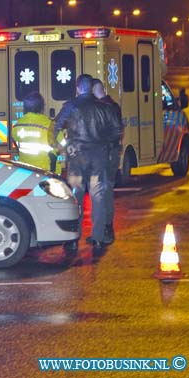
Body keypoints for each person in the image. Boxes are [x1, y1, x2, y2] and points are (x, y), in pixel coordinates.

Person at [55, 74, 123, 251]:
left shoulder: (70, 106)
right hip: (98, 156)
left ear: (78, 88)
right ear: (92, 89)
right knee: (98, 196)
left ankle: (72, 239)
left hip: (77, 157)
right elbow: (117, 131)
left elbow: (55, 127)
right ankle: (99, 237)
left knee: (75, 196)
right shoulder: (105, 107)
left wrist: (61, 148)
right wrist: (103, 144)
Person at [92, 78, 123, 244]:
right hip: (111, 153)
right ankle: (105, 229)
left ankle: (106, 229)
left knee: (104, 192)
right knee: (105, 191)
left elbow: (115, 131)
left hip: (106, 154)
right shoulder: (112, 105)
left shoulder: (104, 107)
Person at [11, 92, 58, 171]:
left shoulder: (16, 126)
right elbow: (61, 145)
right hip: (45, 172)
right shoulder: (50, 125)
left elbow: (16, 144)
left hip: (25, 172)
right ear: (42, 108)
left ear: (24, 109)